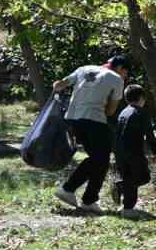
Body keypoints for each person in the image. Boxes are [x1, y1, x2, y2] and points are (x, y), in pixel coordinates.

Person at [53, 54, 131, 211]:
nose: (126, 76)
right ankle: (70, 190)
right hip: (94, 120)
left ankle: (88, 199)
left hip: (73, 119)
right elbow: (110, 111)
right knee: (100, 158)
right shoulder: (117, 79)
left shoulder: (84, 69)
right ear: (121, 68)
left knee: (98, 159)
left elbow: (58, 85)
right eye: (126, 73)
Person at [112, 85, 156, 220]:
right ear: (141, 98)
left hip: (119, 151)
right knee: (143, 177)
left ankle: (127, 205)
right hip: (133, 150)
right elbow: (149, 135)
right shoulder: (141, 113)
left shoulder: (123, 112)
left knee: (129, 177)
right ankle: (125, 199)